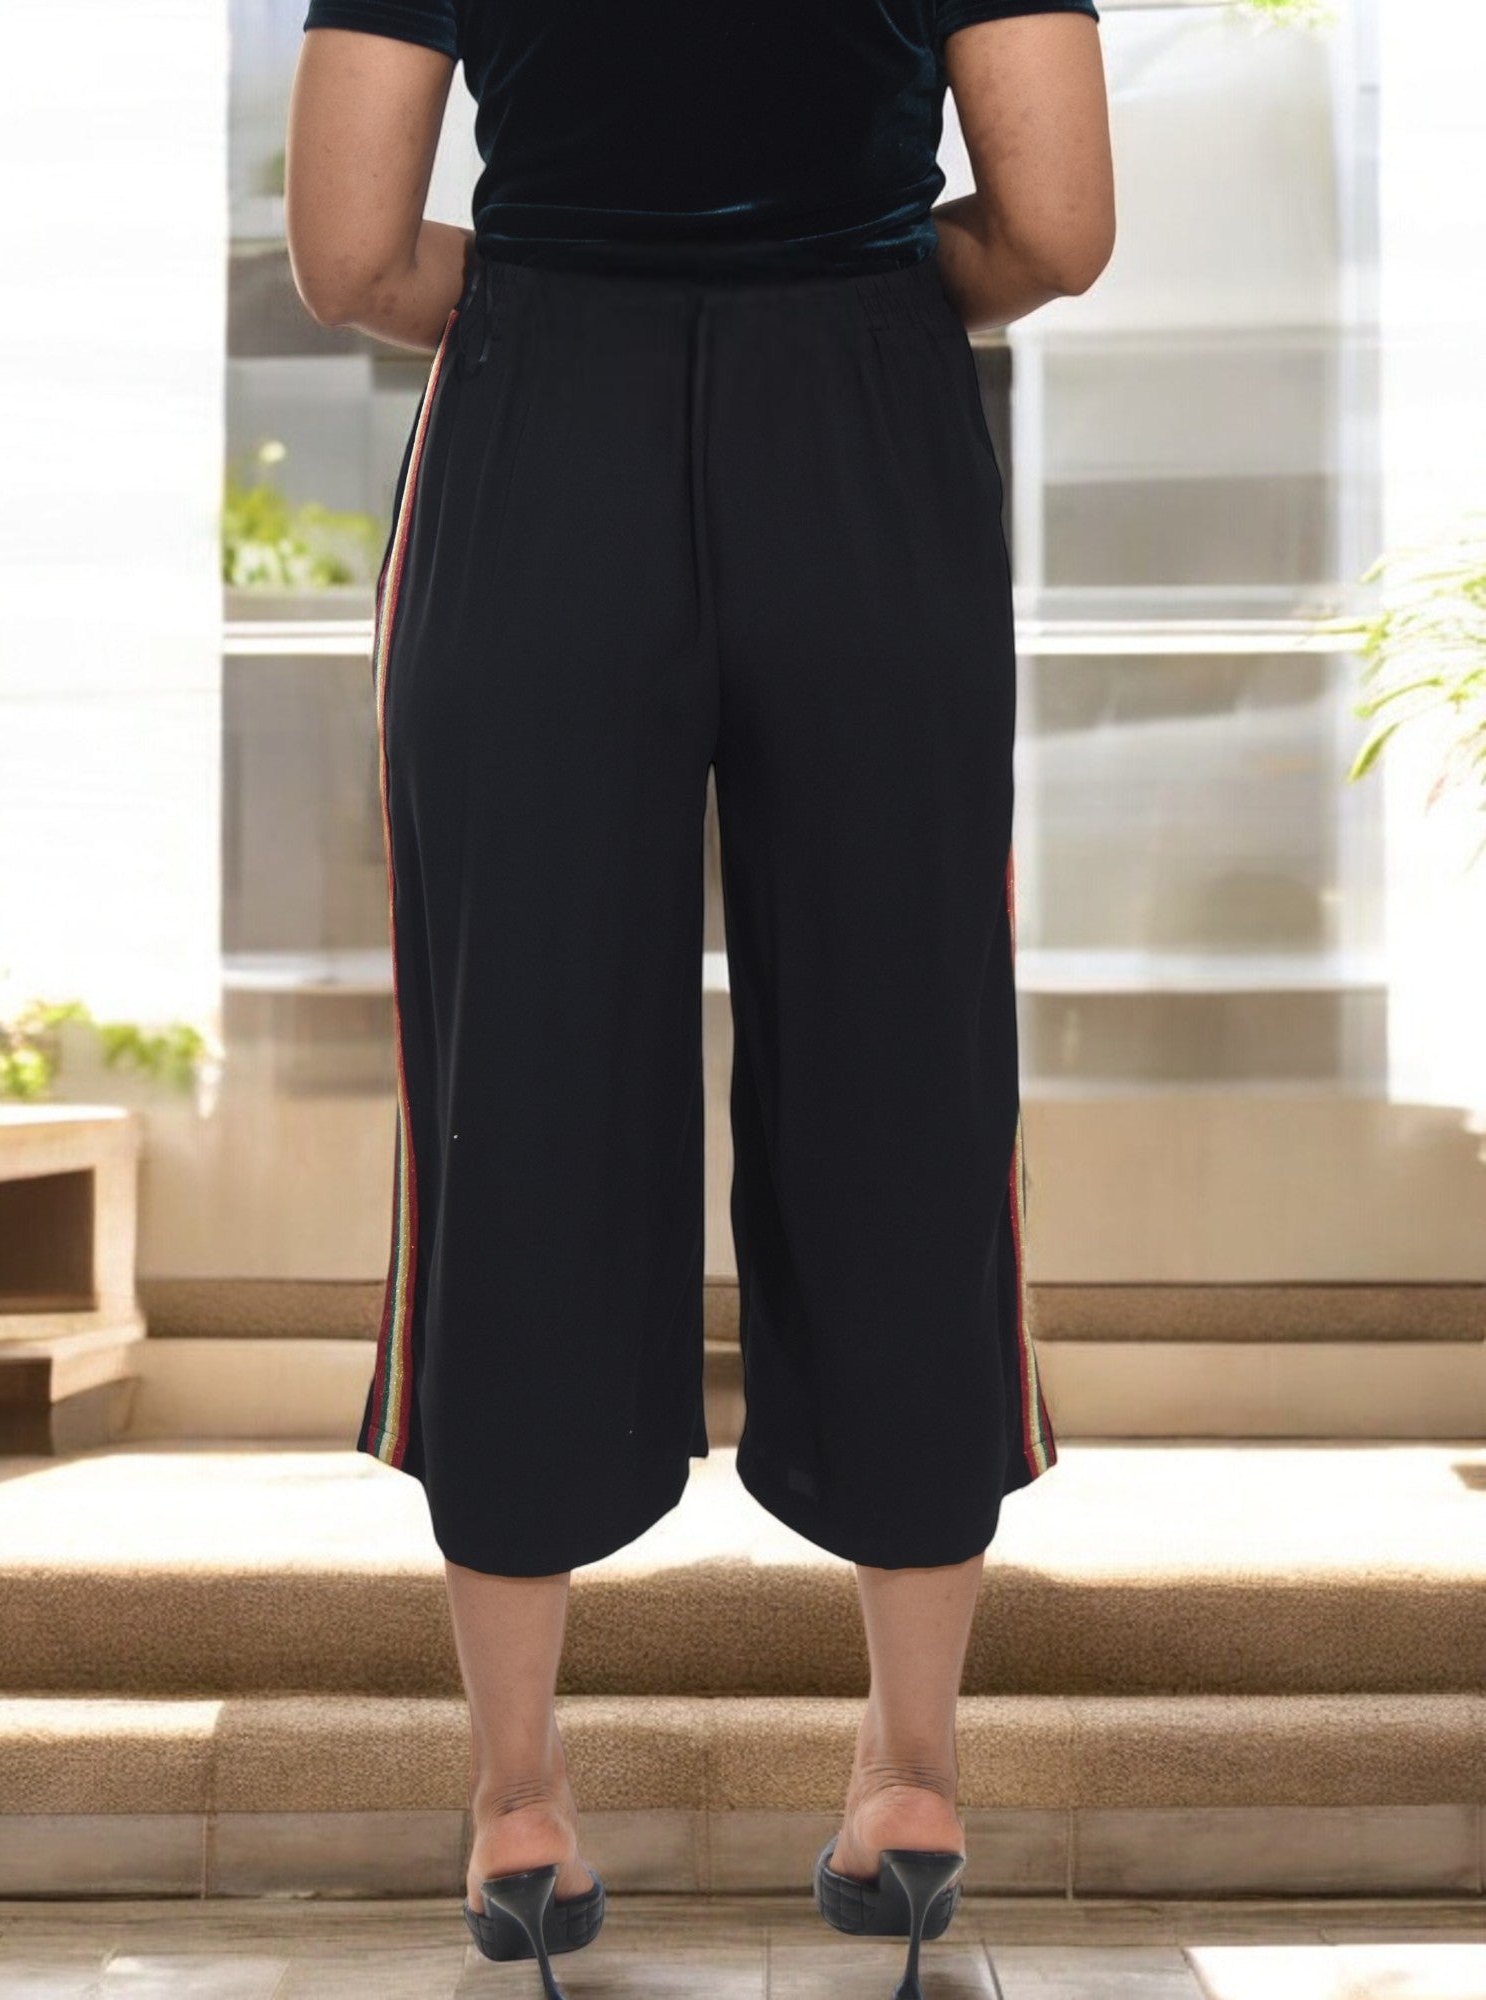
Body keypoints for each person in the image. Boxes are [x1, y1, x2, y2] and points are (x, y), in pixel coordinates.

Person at [286, 3, 1113, 1993]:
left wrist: (583, 294)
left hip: (539, 423)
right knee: (907, 1079)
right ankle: (912, 1775)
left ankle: (519, 1800)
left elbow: (353, 252)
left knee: (517, 1081)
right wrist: (834, 289)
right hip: (868, 422)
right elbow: (1056, 228)